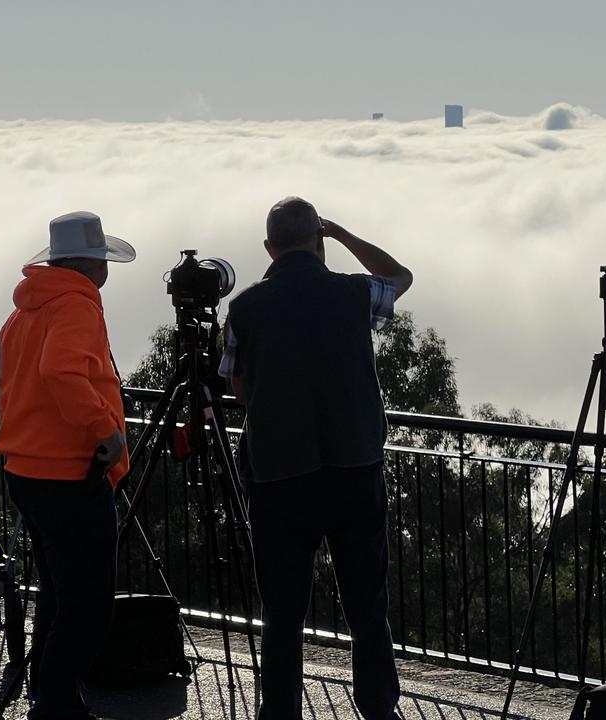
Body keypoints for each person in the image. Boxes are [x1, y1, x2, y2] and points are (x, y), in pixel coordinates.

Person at [219, 197, 412, 720]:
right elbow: (400, 277)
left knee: (282, 610)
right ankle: (377, 706)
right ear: (318, 240)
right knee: (366, 604)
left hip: (280, 475)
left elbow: (238, 389)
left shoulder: (244, 308)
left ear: (269, 247)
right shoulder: (352, 292)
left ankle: (280, 712)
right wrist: (346, 235)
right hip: (354, 468)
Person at [0, 211, 136, 720]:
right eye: (101, 260)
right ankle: (55, 702)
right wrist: (108, 431)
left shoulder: (25, 310)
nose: (104, 272)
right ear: (86, 264)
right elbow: (60, 371)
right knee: (89, 604)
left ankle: (50, 693)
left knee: (60, 590)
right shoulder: (75, 305)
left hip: (25, 467)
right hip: (68, 472)